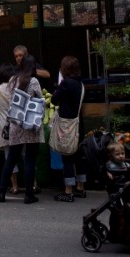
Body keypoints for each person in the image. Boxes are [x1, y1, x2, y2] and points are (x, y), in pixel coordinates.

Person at [0, 55, 42, 204]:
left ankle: (1, 192)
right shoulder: (34, 81)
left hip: (15, 124)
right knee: (29, 160)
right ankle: (29, 194)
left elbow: (10, 99)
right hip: (29, 125)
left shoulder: (12, 80)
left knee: (10, 160)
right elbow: (40, 99)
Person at [51, 55, 86, 202]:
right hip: (79, 124)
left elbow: (54, 99)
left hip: (67, 125)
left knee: (67, 158)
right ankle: (81, 187)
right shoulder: (81, 84)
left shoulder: (65, 83)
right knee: (78, 156)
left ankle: (68, 190)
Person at [0, 63, 19, 194]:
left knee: (9, 157)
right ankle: (34, 183)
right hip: (19, 125)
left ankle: (14, 186)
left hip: (5, 127)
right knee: (25, 155)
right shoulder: (18, 88)